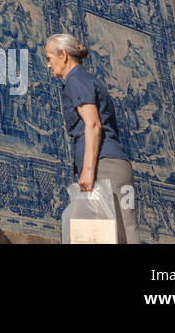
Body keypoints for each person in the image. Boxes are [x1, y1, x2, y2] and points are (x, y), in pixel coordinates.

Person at [44, 33, 140, 243]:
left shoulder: (75, 80)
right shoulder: (87, 79)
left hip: (104, 167)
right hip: (115, 165)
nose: (49, 66)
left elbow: (93, 124)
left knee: (109, 232)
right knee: (122, 230)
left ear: (63, 55)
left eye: (50, 59)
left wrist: (88, 172)